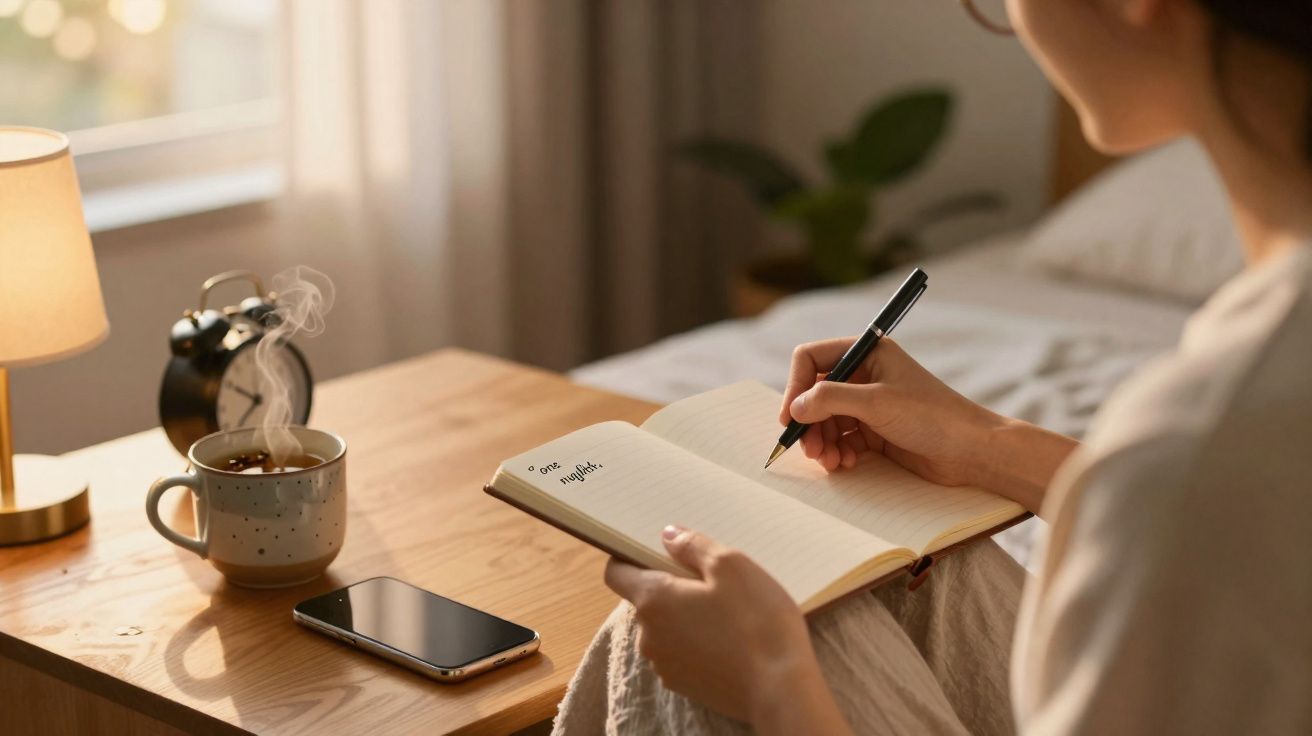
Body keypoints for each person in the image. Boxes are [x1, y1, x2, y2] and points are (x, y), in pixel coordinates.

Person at [553, 0, 1312, 733]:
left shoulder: (1209, 442)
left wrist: (773, 688)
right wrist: (983, 443)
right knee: (922, 572)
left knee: (754, 621)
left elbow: (1197, 496)